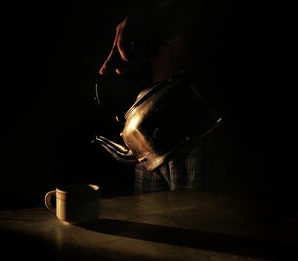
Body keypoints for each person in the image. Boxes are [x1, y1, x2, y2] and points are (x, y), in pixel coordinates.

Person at [97, 1, 232, 194]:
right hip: (150, 129)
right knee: (153, 218)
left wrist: (156, 17)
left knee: (201, 217)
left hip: (194, 122)